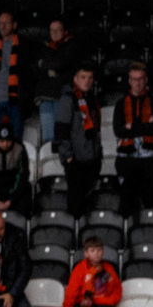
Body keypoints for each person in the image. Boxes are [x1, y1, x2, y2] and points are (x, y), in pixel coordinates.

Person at [113, 62, 153, 213]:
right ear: (129, 81)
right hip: (126, 159)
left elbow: (152, 128)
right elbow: (118, 131)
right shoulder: (120, 104)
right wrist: (143, 126)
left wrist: (130, 127)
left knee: (150, 201)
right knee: (127, 201)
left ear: (146, 79)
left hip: (149, 159)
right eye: (134, 79)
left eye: (140, 79)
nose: (137, 83)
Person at [54, 64, 100, 217]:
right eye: (83, 77)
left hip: (91, 159)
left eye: (90, 77)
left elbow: (95, 129)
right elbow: (61, 130)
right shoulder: (68, 99)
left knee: (89, 205)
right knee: (75, 205)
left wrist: (98, 153)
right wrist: (68, 157)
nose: (87, 81)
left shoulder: (92, 99)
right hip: (76, 161)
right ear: (75, 79)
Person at [0, 11, 32, 143]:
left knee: (15, 141)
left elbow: (28, 74)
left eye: (6, 23)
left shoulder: (23, 45)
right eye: (0, 23)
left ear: (14, 25)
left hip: (15, 102)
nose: (3, 26)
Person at [35, 19, 77, 144]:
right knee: (48, 138)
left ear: (65, 31)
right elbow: (38, 69)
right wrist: (55, 68)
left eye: (58, 29)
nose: (54, 33)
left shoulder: (71, 46)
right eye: (52, 30)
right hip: (45, 96)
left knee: (62, 136)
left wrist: (48, 67)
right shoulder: (43, 48)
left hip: (62, 96)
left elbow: (63, 64)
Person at [63, 236, 121, 307]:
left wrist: (110, 301)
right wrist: (68, 306)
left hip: (104, 304)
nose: (96, 253)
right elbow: (72, 290)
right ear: (86, 253)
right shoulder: (80, 268)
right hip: (84, 304)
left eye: (99, 250)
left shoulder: (109, 268)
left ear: (103, 251)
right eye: (92, 251)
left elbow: (117, 288)